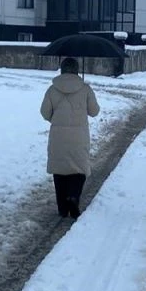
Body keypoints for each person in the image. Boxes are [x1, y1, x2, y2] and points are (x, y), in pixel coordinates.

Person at [40, 57, 100, 218]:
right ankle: (73, 196)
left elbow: (44, 112)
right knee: (79, 169)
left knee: (60, 170)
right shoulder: (85, 88)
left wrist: (56, 120)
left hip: (58, 136)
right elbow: (94, 111)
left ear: (61, 69)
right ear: (76, 70)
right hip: (79, 136)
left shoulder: (52, 90)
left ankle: (62, 208)